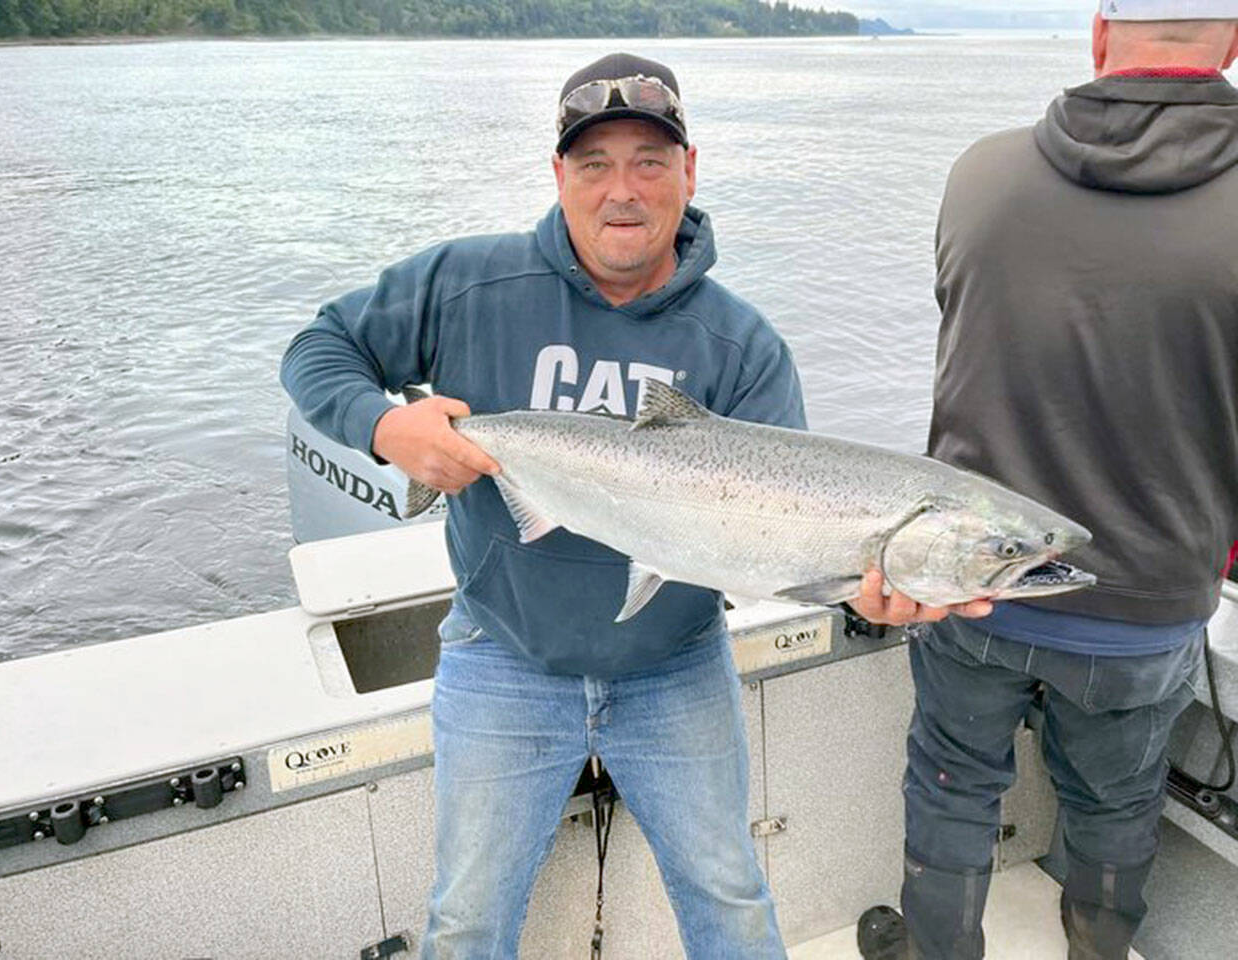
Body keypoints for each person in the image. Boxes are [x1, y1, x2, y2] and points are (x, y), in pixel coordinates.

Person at [282, 52, 813, 958]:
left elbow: (792, 526)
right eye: (594, 163)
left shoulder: (743, 347)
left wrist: (856, 581)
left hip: (675, 665)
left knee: (731, 900)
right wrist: (385, 428)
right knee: (468, 919)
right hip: (504, 657)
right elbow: (318, 349)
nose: (623, 190)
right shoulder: (468, 283)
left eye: (650, 160)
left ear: (690, 170)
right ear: (557, 174)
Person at [857, 4, 1238, 959]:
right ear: (1230, 43)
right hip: (1150, 606)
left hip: (971, 591)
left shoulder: (981, 174)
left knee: (951, 785)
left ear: (1101, 35)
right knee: (1116, 807)